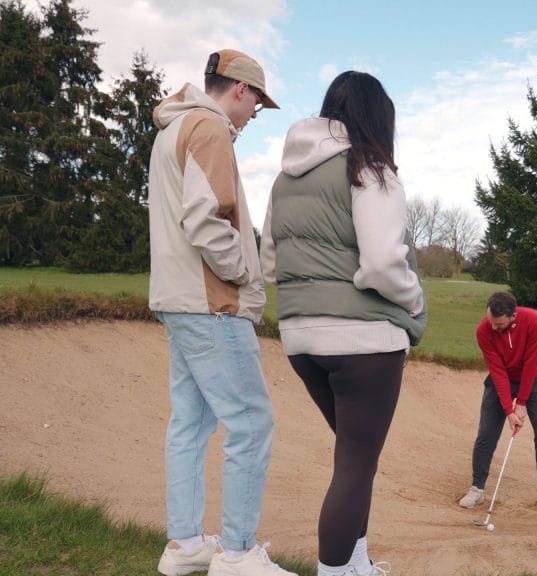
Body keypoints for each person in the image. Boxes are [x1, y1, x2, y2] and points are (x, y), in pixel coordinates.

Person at [260, 71, 426, 576]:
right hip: (364, 340)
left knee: (354, 461)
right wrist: (414, 298)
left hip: (300, 337)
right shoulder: (370, 168)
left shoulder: (285, 177)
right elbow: (380, 263)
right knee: (356, 465)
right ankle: (336, 571)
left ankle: (356, 565)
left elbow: (269, 262)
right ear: (377, 116)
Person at [148, 49, 295, 576]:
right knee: (252, 423)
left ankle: (185, 545)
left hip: (178, 297)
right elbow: (206, 221)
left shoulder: (174, 128)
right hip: (211, 302)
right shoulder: (209, 130)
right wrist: (243, 274)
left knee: (190, 423)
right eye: (257, 101)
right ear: (238, 89)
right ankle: (236, 554)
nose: (255, 112)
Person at [459, 291, 537, 513]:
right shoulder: (484, 330)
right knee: (486, 433)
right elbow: (497, 371)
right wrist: (509, 409)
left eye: (499, 324)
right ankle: (477, 489)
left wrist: (522, 402)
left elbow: (531, 363)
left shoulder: (535, 321)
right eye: (491, 322)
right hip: (501, 380)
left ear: (513, 316)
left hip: (533, 379)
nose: (493, 328)